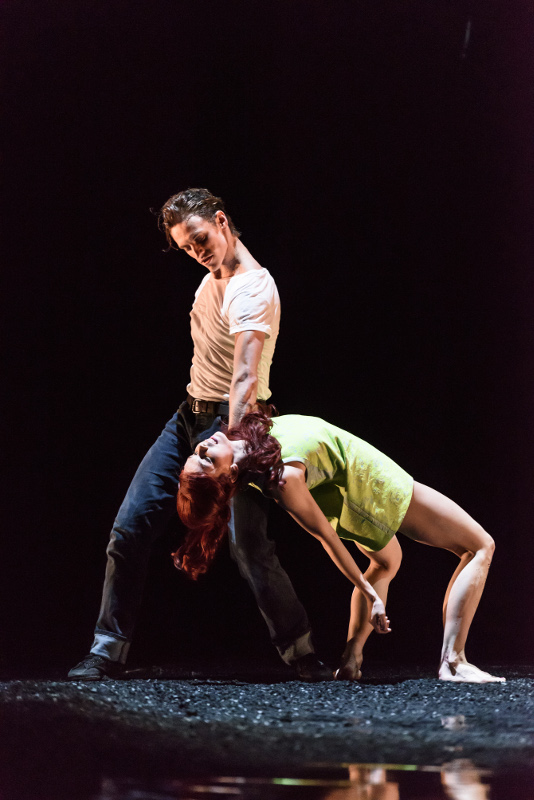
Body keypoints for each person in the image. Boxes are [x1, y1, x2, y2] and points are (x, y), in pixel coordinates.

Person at [68, 188, 331, 681]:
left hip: (231, 425)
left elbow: (245, 378)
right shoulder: (213, 279)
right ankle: (107, 648)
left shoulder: (254, 288)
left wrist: (231, 445)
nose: (198, 253)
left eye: (201, 240)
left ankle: (301, 651)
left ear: (222, 220)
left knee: (246, 545)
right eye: (187, 248)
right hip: (187, 417)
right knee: (128, 527)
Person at [176, 409, 505, 683]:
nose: (203, 446)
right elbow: (327, 538)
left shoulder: (248, 438)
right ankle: (453, 661)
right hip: (380, 490)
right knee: (479, 546)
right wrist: (369, 594)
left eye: (197, 452)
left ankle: (351, 658)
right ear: (229, 475)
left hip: (365, 484)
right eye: (206, 460)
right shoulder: (283, 479)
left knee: (388, 562)